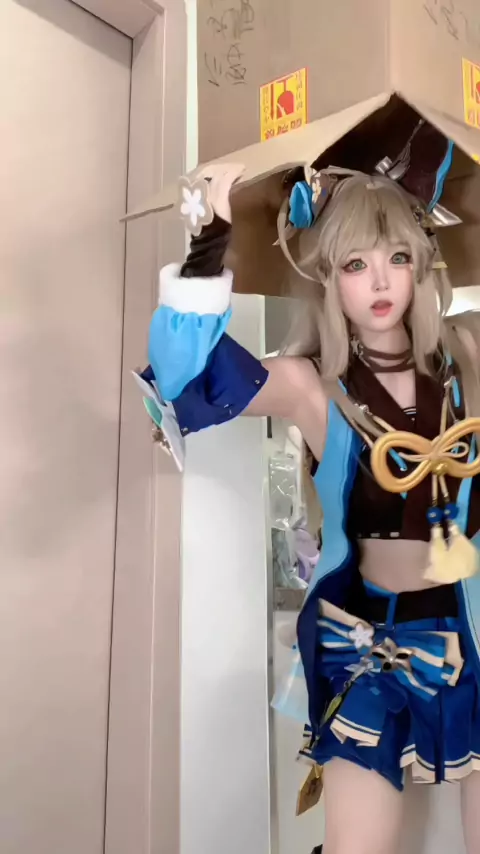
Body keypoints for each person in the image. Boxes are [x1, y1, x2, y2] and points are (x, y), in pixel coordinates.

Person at [144, 160, 480, 854]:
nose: (380, 282)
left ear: (421, 263)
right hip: (366, 644)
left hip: (472, 630)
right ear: (328, 275)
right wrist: (210, 242)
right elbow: (183, 379)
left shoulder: (470, 356)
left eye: (396, 258)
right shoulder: (312, 386)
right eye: (356, 263)